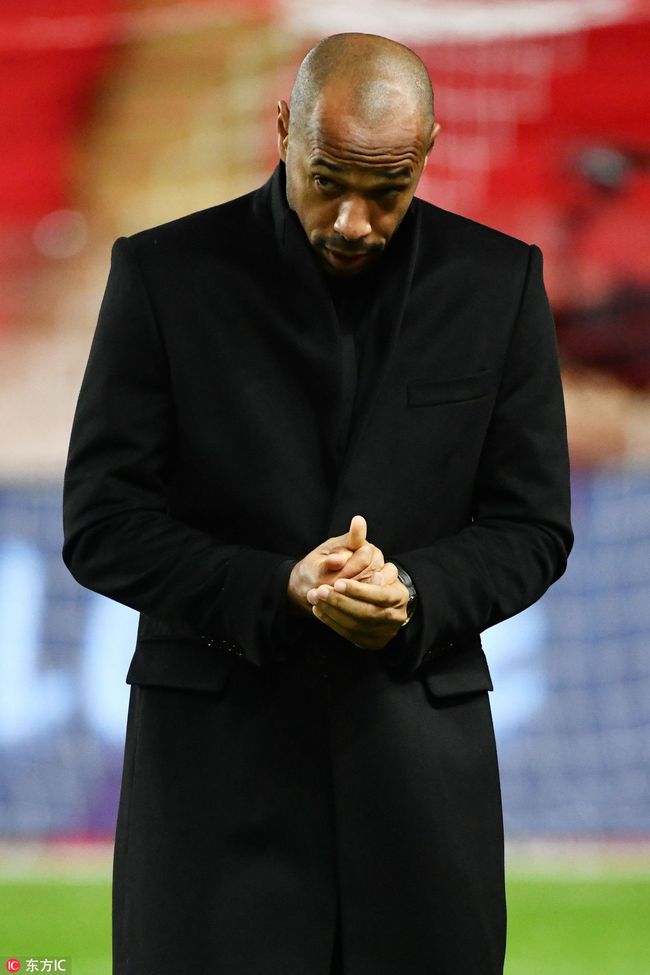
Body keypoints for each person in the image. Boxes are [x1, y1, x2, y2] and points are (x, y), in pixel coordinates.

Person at [62, 32, 573, 975]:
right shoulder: (163, 275)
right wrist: (277, 587)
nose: (351, 220)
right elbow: (103, 522)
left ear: (429, 153)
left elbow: (532, 526)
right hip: (212, 794)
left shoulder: (499, 283)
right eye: (327, 180)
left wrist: (412, 592)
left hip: (422, 794)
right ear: (283, 129)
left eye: (387, 191)